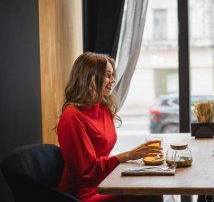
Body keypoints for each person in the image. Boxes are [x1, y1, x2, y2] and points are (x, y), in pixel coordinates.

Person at [57, 52, 163, 202]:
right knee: (150, 192)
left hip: (103, 184)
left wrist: (133, 155)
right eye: (108, 75)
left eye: (112, 75)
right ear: (90, 77)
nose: (113, 80)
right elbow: (88, 173)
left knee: (151, 185)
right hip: (81, 195)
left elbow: (102, 159)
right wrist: (128, 155)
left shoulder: (102, 107)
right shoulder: (72, 116)